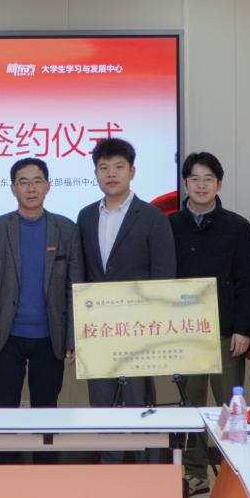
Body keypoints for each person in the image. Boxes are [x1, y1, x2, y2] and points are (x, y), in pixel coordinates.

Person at [77, 138, 176, 462]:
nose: (111, 174)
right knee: (102, 405)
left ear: (132, 171)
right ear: (95, 173)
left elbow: (163, 276)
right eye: (103, 167)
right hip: (97, 330)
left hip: (138, 330)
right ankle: (111, 471)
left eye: (119, 167)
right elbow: (82, 275)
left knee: (137, 404)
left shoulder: (152, 217)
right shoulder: (86, 216)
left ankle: (143, 470)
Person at [169, 152, 250, 495]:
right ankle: (196, 472)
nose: (201, 185)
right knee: (189, 406)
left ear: (219, 183)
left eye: (208, 178)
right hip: (185, 332)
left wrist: (244, 329)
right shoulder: (171, 225)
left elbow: (247, 281)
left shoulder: (237, 226)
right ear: (185, 184)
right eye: (194, 178)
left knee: (229, 409)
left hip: (225, 332)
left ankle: (235, 473)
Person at [0, 158, 84, 413]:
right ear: (12, 188)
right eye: (23, 182)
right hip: (6, 336)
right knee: (3, 407)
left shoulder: (67, 229)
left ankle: (45, 443)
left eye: (37, 181)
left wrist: (73, 338)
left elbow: (74, 289)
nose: (31, 189)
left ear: (48, 186)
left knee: (46, 409)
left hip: (51, 336)